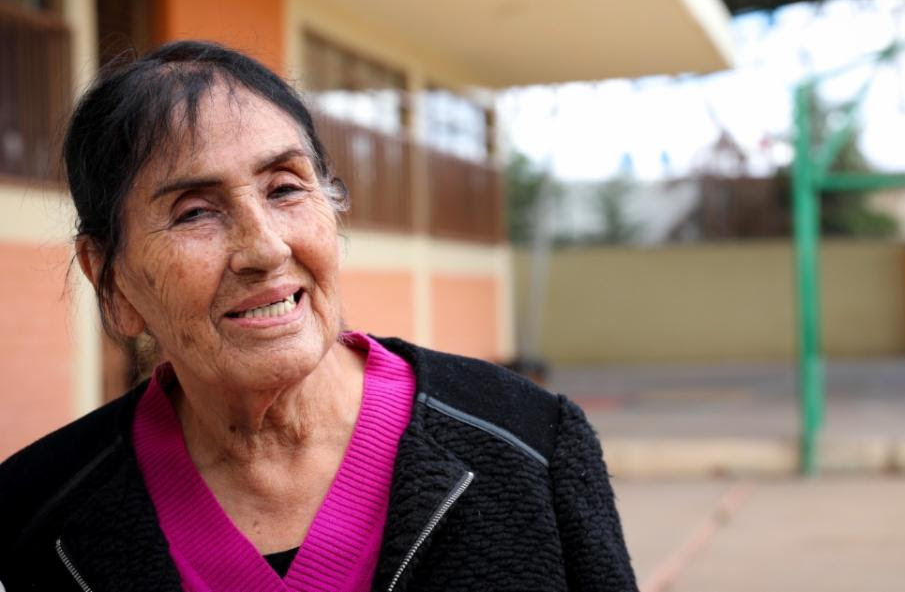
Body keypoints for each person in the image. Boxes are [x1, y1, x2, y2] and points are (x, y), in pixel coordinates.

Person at [0, 41, 636, 591]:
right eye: (195, 211)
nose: (267, 248)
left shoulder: (529, 442)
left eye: (285, 188)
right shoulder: (36, 513)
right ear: (111, 281)